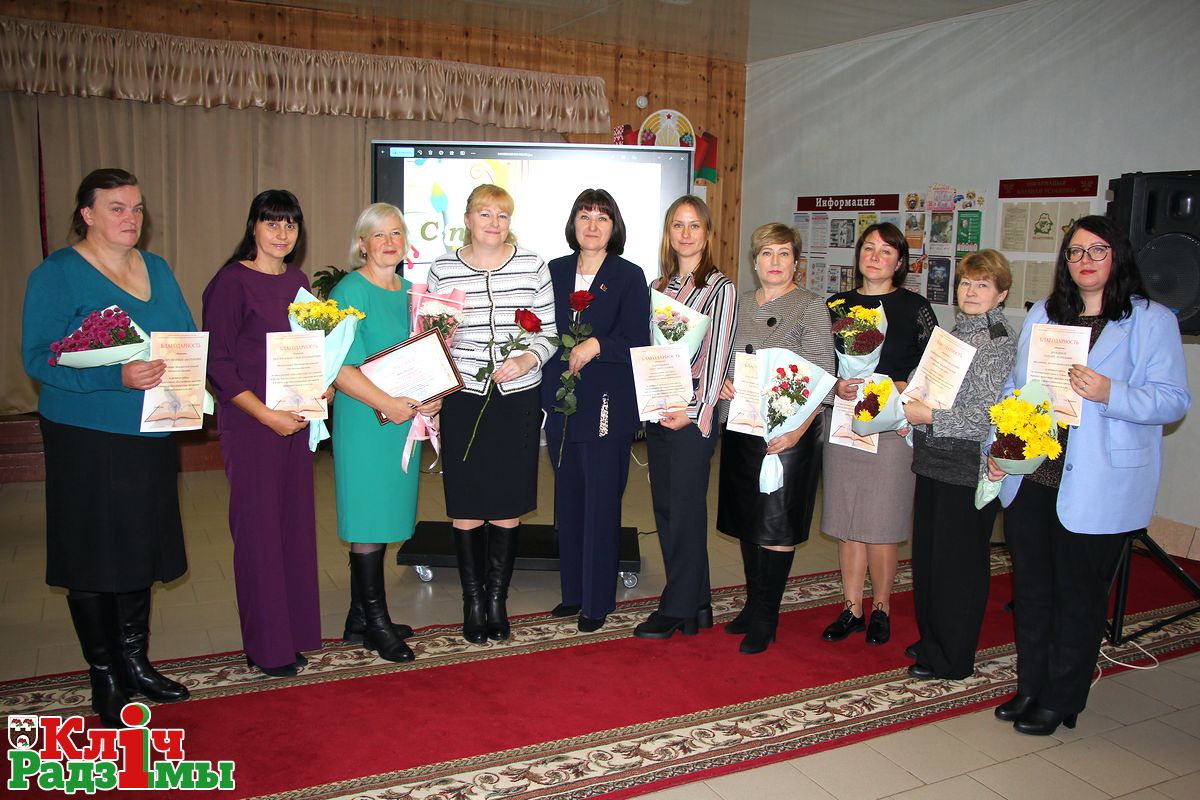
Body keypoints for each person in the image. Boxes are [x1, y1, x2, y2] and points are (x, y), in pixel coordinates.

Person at [988, 216, 1189, 735]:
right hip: (1033, 477)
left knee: (1078, 598)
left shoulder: (1150, 320)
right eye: (1076, 252)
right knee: (1033, 593)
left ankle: (1062, 698)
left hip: (1099, 484)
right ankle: (1031, 686)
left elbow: (1172, 401)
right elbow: (1015, 390)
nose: (1085, 261)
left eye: (1097, 250)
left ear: (1118, 256)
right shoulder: (1045, 313)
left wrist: (1109, 392)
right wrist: (999, 447)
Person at [21, 168, 193, 726]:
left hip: (151, 432)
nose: (131, 218)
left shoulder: (157, 267)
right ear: (87, 214)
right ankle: (105, 675)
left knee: (139, 548)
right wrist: (113, 378)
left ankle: (136, 662)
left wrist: (191, 380)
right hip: (86, 436)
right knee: (92, 554)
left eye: (137, 208)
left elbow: (182, 339)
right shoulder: (57, 274)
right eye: (117, 208)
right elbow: (37, 358)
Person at [426, 184, 557, 643]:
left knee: (506, 502)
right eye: (485, 213)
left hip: (517, 399)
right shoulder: (442, 269)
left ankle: (497, 599)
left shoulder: (533, 265)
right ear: (467, 218)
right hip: (462, 398)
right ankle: (473, 600)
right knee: (465, 501)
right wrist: (434, 395)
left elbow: (550, 332)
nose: (494, 223)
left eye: (502, 215)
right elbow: (430, 338)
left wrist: (526, 359)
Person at [203, 190, 321, 678]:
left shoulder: (298, 281)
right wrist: (266, 416)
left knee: (293, 527)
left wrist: (319, 388)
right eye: (272, 223)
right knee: (259, 533)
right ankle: (265, 646)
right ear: (253, 226)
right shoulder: (230, 282)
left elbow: (309, 350)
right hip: (252, 425)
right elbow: (219, 365)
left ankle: (293, 634)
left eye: (290, 225)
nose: (282, 233)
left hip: (294, 422)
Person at [328, 204, 443, 662]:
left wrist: (432, 397)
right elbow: (340, 368)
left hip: (402, 421)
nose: (389, 242)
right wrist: (388, 404)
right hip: (365, 421)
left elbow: (425, 356)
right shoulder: (348, 291)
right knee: (367, 517)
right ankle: (376, 624)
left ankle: (360, 618)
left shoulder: (412, 293)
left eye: (396, 233)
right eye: (379, 234)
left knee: (385, 514)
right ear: (362, 244)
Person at [716, 223, 835, 654]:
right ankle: (753, 606)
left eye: (784, 254)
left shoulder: (810, 306)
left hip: (789, 435)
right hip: (743, 426)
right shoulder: (742, 304)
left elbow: (823, 376)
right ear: (755, 261)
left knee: (776, 525)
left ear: (796, 262)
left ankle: (767, 616)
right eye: (767, 253)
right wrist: (723, 382)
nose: (775, 262)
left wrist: (797, 431)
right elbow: (725, 358)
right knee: (749, 520)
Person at [821, 222, 937, 645]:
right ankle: (851, 608)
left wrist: (904, 387)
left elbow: (933, 365)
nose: (875, 256)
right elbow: (821, 362)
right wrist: (836, 384)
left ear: (899, 261)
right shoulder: (836, 305)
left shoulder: (915, 306)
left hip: (892, 426)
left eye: (886, 251)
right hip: (845, 422)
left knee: (882, 522)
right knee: (848, 520)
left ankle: (882, 608)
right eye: (868, 248)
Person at [903, 249, 1016, 680]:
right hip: (934, 459)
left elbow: (985, 416)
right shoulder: (956, 332)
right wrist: (909, 403)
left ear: (1001, 294)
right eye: (966, 283)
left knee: (958, 566)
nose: (970, 291)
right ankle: (933, 639)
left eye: (982, 285)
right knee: (930, 561)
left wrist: (928, 415)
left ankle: (953, 656)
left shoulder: (997, 341)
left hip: (967, 465)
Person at [542, 189, 650, 633]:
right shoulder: (553, 271)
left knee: (601, 503)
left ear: (614, 227)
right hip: (561, 403)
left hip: (607, 404)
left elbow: (639, 342)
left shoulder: (628, 275)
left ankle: (597, 600)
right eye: (584, 216)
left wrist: (598, 344)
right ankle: (573, 593)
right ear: (573, 224)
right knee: (568, 501)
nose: (592, 225)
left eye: (602, 218)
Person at [635, 195, 737, 640]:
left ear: (707, 233)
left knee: (684, 511)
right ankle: (698, 604)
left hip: (692, 418)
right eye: (678, 225)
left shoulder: (720, 288)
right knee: (668, 508)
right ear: (669, 233)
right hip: (660, 411)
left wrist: (693, 412)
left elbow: (718, 357)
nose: (686, 233)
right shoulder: (659, 286)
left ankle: (675, 608)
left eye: (695, 225)